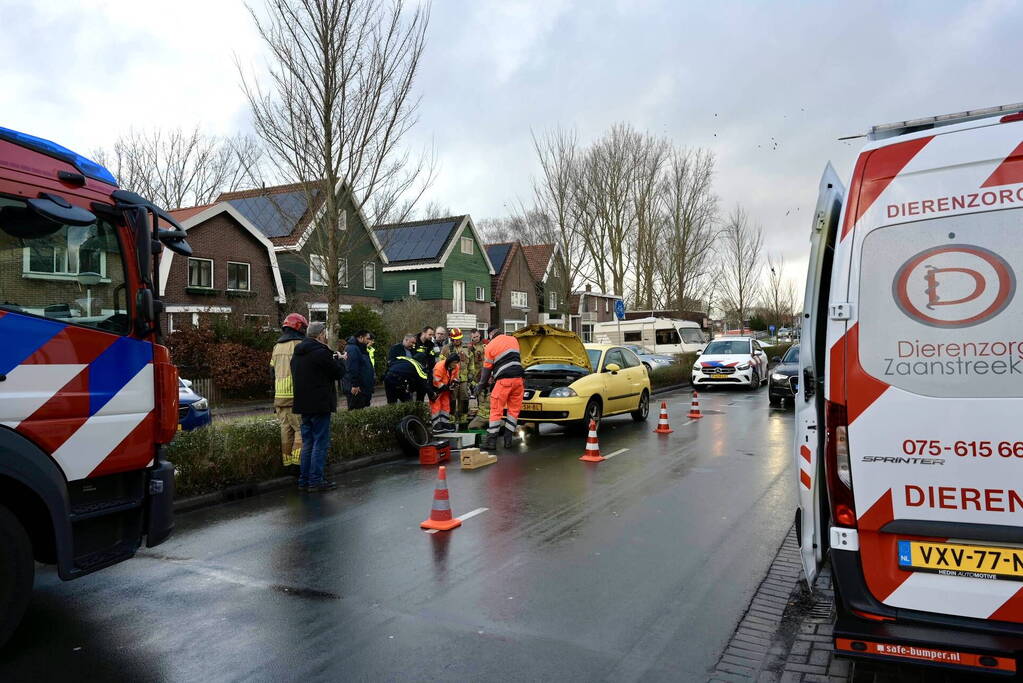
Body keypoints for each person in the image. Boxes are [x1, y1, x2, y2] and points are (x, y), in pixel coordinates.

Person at [291, 321, 345, 492]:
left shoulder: (297, 353)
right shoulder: (321, 352)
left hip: (303, 404)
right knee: (320, 443)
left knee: (307, 443)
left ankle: (304, 480)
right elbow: (338, 373)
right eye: (325, 333)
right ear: (320, 334)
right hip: (320, 403)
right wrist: (341, 361)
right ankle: (316, 480)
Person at [270, 313, 307, 469]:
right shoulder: (300, 345)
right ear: (299, 327)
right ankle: (297, 465)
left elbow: (271, 371)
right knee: (300, 430)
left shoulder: (277, 346)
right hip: (296, 395)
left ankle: (287, 463)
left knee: (285, 430)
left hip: (279, 396)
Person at [478, 326, 525, 450]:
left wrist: (481, 386)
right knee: (513, 411)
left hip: (504, 382)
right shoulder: (513, 340)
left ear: (490, 335)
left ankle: (491, 442)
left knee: (496, 410)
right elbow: (509, 359)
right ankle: (508, 440)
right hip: (519, 381)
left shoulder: (490, 346)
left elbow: (486, 370)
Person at [440, 328, 470, 425]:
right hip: (452, 378)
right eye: (455, 339)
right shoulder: (446, 349)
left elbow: (471, 363)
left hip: (464, 378)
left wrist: (471, 375)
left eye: (459, 339)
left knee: (464, 396)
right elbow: (441, 364)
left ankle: (463, 416)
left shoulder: (467, 348)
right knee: (452, 397)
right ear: (452, 339)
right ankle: (451, 416)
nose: (457, 341)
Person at [343, 329, 374, 410]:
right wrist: (355, 385)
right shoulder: (353, 349)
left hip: (362, 388)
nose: (369, 341)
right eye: (367, 338)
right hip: (357, 389)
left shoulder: (360, 348)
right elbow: (352, 368)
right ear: (361, 338)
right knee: (356, 413)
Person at [430, 353, 461, 433]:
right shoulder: (440, 367)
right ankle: (436, 424)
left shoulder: (456, 367)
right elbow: (436, 381)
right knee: (436, 405)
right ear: (449, 361)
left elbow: (456, 377)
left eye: (456, 362)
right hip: (435, 388)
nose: (455, 364)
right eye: (454, 362)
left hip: (446, 388)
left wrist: (455, 382)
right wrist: (444, 386)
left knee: (446, 404)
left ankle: (444, 423)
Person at [465, 329, 489, 430]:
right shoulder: (470, 347)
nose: (475, 339)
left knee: (487, 395)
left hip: (487, 372)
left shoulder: (486, 343)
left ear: (480, 335)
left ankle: (488, 416)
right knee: (477, 394)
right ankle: (480, 415)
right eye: (473, 337)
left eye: (477, 337)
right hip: (476, 374)